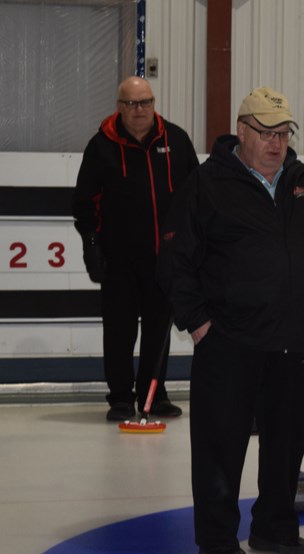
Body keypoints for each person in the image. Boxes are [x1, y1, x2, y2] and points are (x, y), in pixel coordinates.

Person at [158, 86, 304, 554]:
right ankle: (219, 538)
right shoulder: (206, 185)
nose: (276, 143)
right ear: (242, 132)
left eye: (284, 133)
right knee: (219, 446)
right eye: (266, 133)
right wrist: (197, 322)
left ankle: (275, 527)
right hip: (227, 339)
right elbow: (174, 259)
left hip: (290, 338)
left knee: (287, 442)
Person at [73, 76, 199, 422]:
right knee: (119, 332)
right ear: (119, 107)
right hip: (119, 262)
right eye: (131, 103)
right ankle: (120, 398)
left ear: (154, 103)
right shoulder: (101, 146)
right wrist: (92, 247)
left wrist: (191, 248)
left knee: (159, 332)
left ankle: (153, 396)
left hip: (165, 261)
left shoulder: (177, 140)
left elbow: (196, 197)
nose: (139, 110)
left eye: (145, 102)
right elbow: (85, 203)